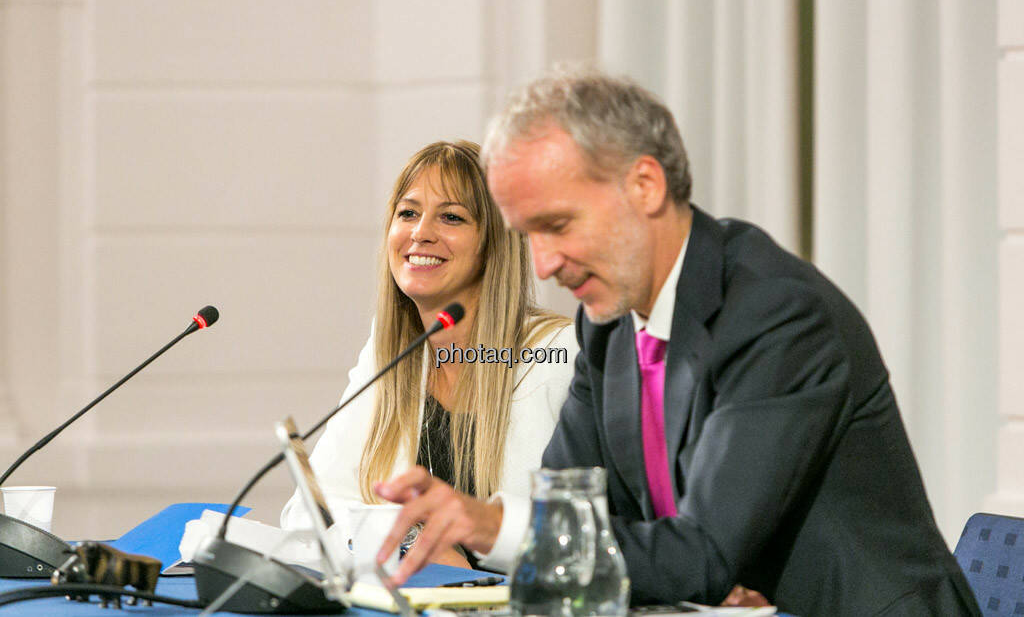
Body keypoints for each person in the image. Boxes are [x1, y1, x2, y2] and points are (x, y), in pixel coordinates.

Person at [372, 71, 982, 616]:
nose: (544, 263)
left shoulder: (777, 314)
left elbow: (706, 549)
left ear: (644, 185)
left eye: (557, 225)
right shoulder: (607, 323)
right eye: (526, 234)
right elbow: (571, 514)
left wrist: (493, 525)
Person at [281, 140, 576, 567]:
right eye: (408, 213)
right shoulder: (391, 351)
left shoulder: (555, 354)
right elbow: (312, 512)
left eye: (451, 217)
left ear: (494, 243)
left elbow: (573, 532)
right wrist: (415, 544)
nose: (420, 233)